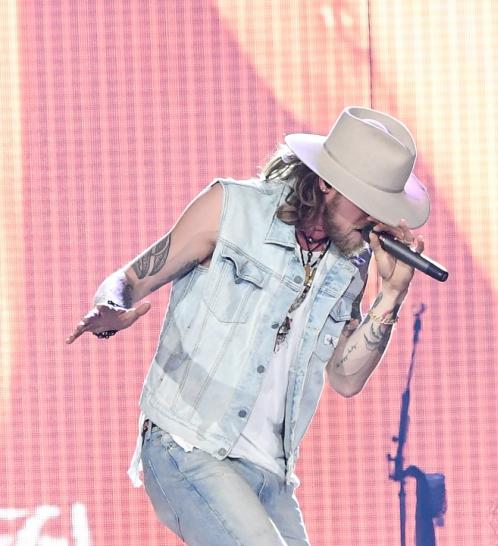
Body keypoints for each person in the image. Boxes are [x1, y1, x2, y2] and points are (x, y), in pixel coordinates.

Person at [65, 107, 432, 545]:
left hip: (270, 474)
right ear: (327, 183)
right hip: (189, 443)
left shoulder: (352, 261)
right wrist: (110, 309)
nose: (375, 218)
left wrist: (391, 295)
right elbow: (129, 279)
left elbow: (345, 378)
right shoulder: (232, 209)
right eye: (367, 202)